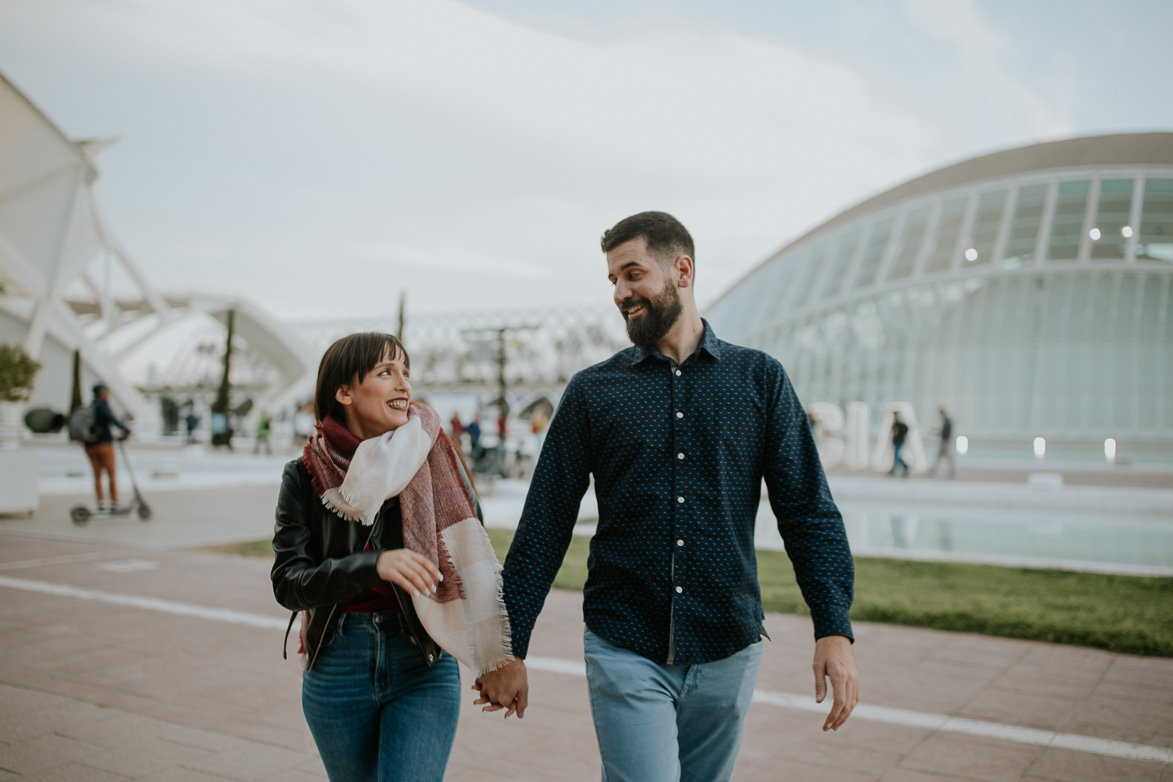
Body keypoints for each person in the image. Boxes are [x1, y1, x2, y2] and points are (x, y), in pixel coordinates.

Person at [474, 212, 858, 781]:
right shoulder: (591, 392)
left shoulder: (759, 380)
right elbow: (545, 522)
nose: (621, 293)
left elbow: (807, 510)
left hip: (728, 645)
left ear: (683, 270)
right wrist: (509, 647)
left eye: (633, 274)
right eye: (613, 281)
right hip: (623, 640)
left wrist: (834, 627)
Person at [271, 332, 512, 782]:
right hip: (337, 659)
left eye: (406, 372)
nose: (403, 384)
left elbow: (476, 564)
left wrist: (500, 658)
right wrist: (374, 565)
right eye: (386, 372)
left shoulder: (434, 454)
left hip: (420, 656)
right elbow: (288, 583)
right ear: (344, 392)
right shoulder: (304, 474)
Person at [84, 384, 130, 511]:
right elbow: (111, 418)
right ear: (103, 393)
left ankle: (101, 502)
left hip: (89, 446)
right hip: (103, 444)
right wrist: (125, 428)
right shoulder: (102, 405)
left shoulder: (90, 406)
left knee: (97, 475)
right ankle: (114, 502)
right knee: (111, 473)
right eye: (107, 393)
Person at [930, 406, 955, 479]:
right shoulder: (946, 421)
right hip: (944, 441)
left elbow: (945, 432)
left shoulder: (947, 421)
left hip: (944, 442)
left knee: (943, 457)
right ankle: (934, 470)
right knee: (942, 457)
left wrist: (938, 433)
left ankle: (934, 470)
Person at [889, 412, 910, 478]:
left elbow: (905, 430)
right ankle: (894, 470)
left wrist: (899, 432)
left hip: (899, 442)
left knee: (897, 457)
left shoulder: (900, 424)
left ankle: (904, 467)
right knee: (896, 457)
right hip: (896, 442)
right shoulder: (895, 423)